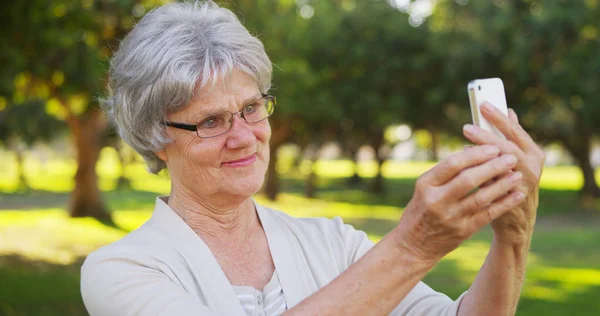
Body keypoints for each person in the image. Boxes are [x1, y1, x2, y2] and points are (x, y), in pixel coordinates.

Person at [80, 1, 546, 315]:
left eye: (250, 108)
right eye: (211, 121)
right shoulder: (121, 270)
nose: (244, 137)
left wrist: (512, 237)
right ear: (155, 135)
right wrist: (412, 247)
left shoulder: (332, 243)